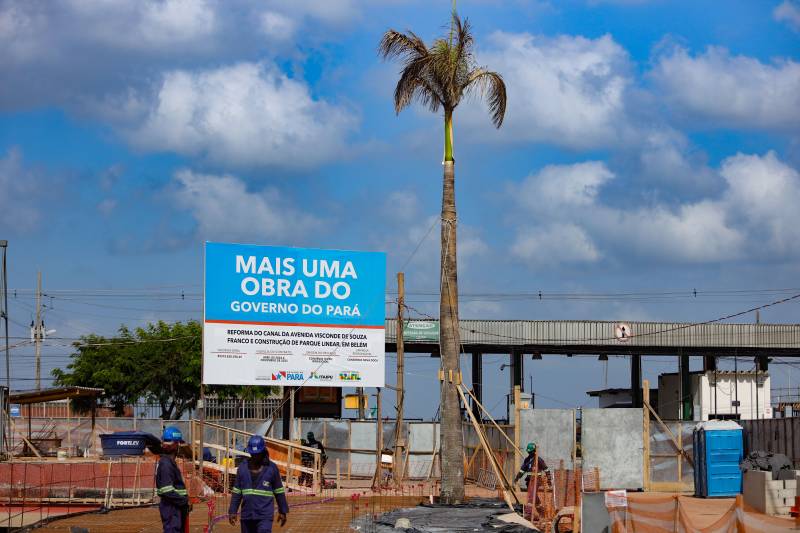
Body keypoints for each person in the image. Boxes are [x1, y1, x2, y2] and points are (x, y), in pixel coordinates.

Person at [229, 435, 288, 532]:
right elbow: (237, 492)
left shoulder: (271, 468)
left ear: (263, 452)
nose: (255, 456)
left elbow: (279, 491)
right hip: (247, 515)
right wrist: (232, 511)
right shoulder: (242, 468)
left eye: (257, 454)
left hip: (265, 515)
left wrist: (283, 510)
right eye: (253, 454)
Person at [156, 426, 190, 533]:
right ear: (176, 444)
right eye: (179, 443)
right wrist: (184, 501)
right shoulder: (166, 464)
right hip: (172, 509)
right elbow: (167, 490)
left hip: (175, 509)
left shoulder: (169, 463)